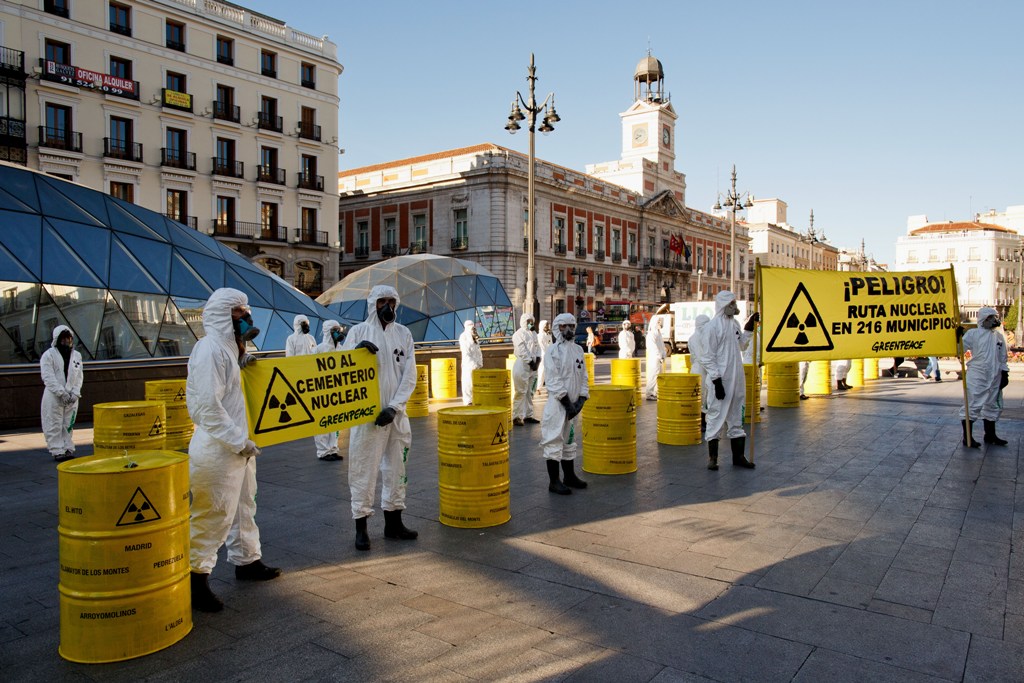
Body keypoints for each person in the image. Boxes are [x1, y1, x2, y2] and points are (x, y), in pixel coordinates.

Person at [187, 288, 280, 613]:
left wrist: (244, 362)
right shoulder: (210, 349)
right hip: (219, 449)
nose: (246, 317)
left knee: (243, 506)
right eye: (239, 312)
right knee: (213, 513)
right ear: (223, 315)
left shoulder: (229, 348)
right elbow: (207, 408)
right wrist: (239, 442)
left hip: (238, 448)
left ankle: (247, 560)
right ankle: (195, 579)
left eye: (246, 310)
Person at [341, 285, 419, 551]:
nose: (388, 307)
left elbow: (410, 373)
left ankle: (394, 522)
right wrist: (354, 354)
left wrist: (395, 407)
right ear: (373, 304)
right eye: (382, 301)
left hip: (395, 415)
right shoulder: (358, 332)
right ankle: (361, 527)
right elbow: (340, 370)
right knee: (364, 469)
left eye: (392, 301)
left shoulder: (403, 334)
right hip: (367, 418)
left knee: (397, 469)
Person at [698, 291, 758, 470]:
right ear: (723, 305)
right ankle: (713, 458)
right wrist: (716, 381)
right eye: (731, 303)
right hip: (721, 380)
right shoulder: (712, 327)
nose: (734, 306)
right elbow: (707, 357)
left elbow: (742, 345)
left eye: (734, 302)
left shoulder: (735, 325)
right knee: (715, 415)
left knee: (736, 416)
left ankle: (738, 457)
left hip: (736, 378)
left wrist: (748, 328)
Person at [540, 313, 589, 495]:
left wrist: (581, 399)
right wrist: (568, 404)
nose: (568, 329)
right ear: (557, 328)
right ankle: (554, 481)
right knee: (553, 439)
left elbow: (583, 376)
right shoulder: (552, 351)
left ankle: (569, 476)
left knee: (569, 441)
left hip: (574, 406)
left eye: (571, 325)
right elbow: (553, 380)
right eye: (563, 326)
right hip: (558, 405)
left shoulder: (578, 350)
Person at [959, 307, 1009, 448]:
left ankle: (990, 435)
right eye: (990, 317)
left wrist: (1004, 372)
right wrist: (957, 337)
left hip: (995, 375)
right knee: (973, 404)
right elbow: (959, 349)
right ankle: (967, 438)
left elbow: (1002, 356)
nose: (994, 320)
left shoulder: (998, 336)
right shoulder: (973, 334)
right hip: (978, 375)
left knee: (992, 404)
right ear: (982, 319)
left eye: (994, 317)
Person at [40, 325, 83, 462]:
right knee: (54, 423)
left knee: (68, 423)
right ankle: (57, 450)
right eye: (63, 339)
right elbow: (48, 377)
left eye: (68, 339)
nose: (66, 342)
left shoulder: (77, 355)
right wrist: (61, 392)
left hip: (71, 397)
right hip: (54, 396)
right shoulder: (48, 355)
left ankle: (67, 447)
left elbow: (79, 376)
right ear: (57, 340)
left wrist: (75, 392)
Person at [314, 320, 346, 461]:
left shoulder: (342, 349)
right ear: (327, 331)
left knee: (335, 422)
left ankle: (333, 448)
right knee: (322, 422)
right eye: (334, 330)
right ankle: (323, 451)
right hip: (322, 391)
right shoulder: (318, 349)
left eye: (338, 329)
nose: (337, 332)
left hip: (337, 390)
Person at [511, 312, 541, 426]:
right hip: (522, 366)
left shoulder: (534, 334)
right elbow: (521, 350)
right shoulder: (518, 334)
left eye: (531, 321)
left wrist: (538, 360)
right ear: (524, 322)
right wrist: (530, 362)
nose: (531, 323)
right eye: (528, 322)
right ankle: (516, 417)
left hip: (532, 367)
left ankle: (529, 415)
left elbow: (537, 347)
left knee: (530, 392)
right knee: (521, 392)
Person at [687, 314, 711, 433]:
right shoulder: (695, 338)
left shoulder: (702, 337)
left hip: (703, 369)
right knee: (700, 396)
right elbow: (702, 357)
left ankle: (703, 420)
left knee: (705, 396)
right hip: (699, 369)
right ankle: (700, 422)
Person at [459, 319, 483, 406]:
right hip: (468, 365)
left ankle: (475, 399)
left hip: (476, 365)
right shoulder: (463, 337)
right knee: (467, 383)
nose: (472, 327)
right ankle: (468, 401)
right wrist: (473, 364)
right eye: (469, 325)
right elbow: (466, 351)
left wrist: (480, 363)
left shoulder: (475, 338)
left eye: (472, 325)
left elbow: (478, 351)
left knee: (475, 383)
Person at [644, 318, 666, 400]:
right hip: (654, 357)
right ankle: (649, 393)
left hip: (659, 358)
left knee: (658, 375)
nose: (660, 323)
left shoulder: (658, 334)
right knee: (653, 375)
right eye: (659, 322)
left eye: (661, 322)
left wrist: (663, 354)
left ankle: (655, 392)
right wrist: (659, 355)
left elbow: (662, 346)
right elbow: (653, 347)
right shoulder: (651, 334)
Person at [536, 319, 553, 392]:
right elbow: (542, 346)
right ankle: (538, 387)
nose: (547, 327)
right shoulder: (539, 335)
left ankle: (550, 387)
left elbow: (551, 344)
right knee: (542, 371)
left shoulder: (548, 334)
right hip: (543, 355)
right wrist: (547, 353)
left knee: (550, 371)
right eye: (546, 326)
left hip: (549, 355)